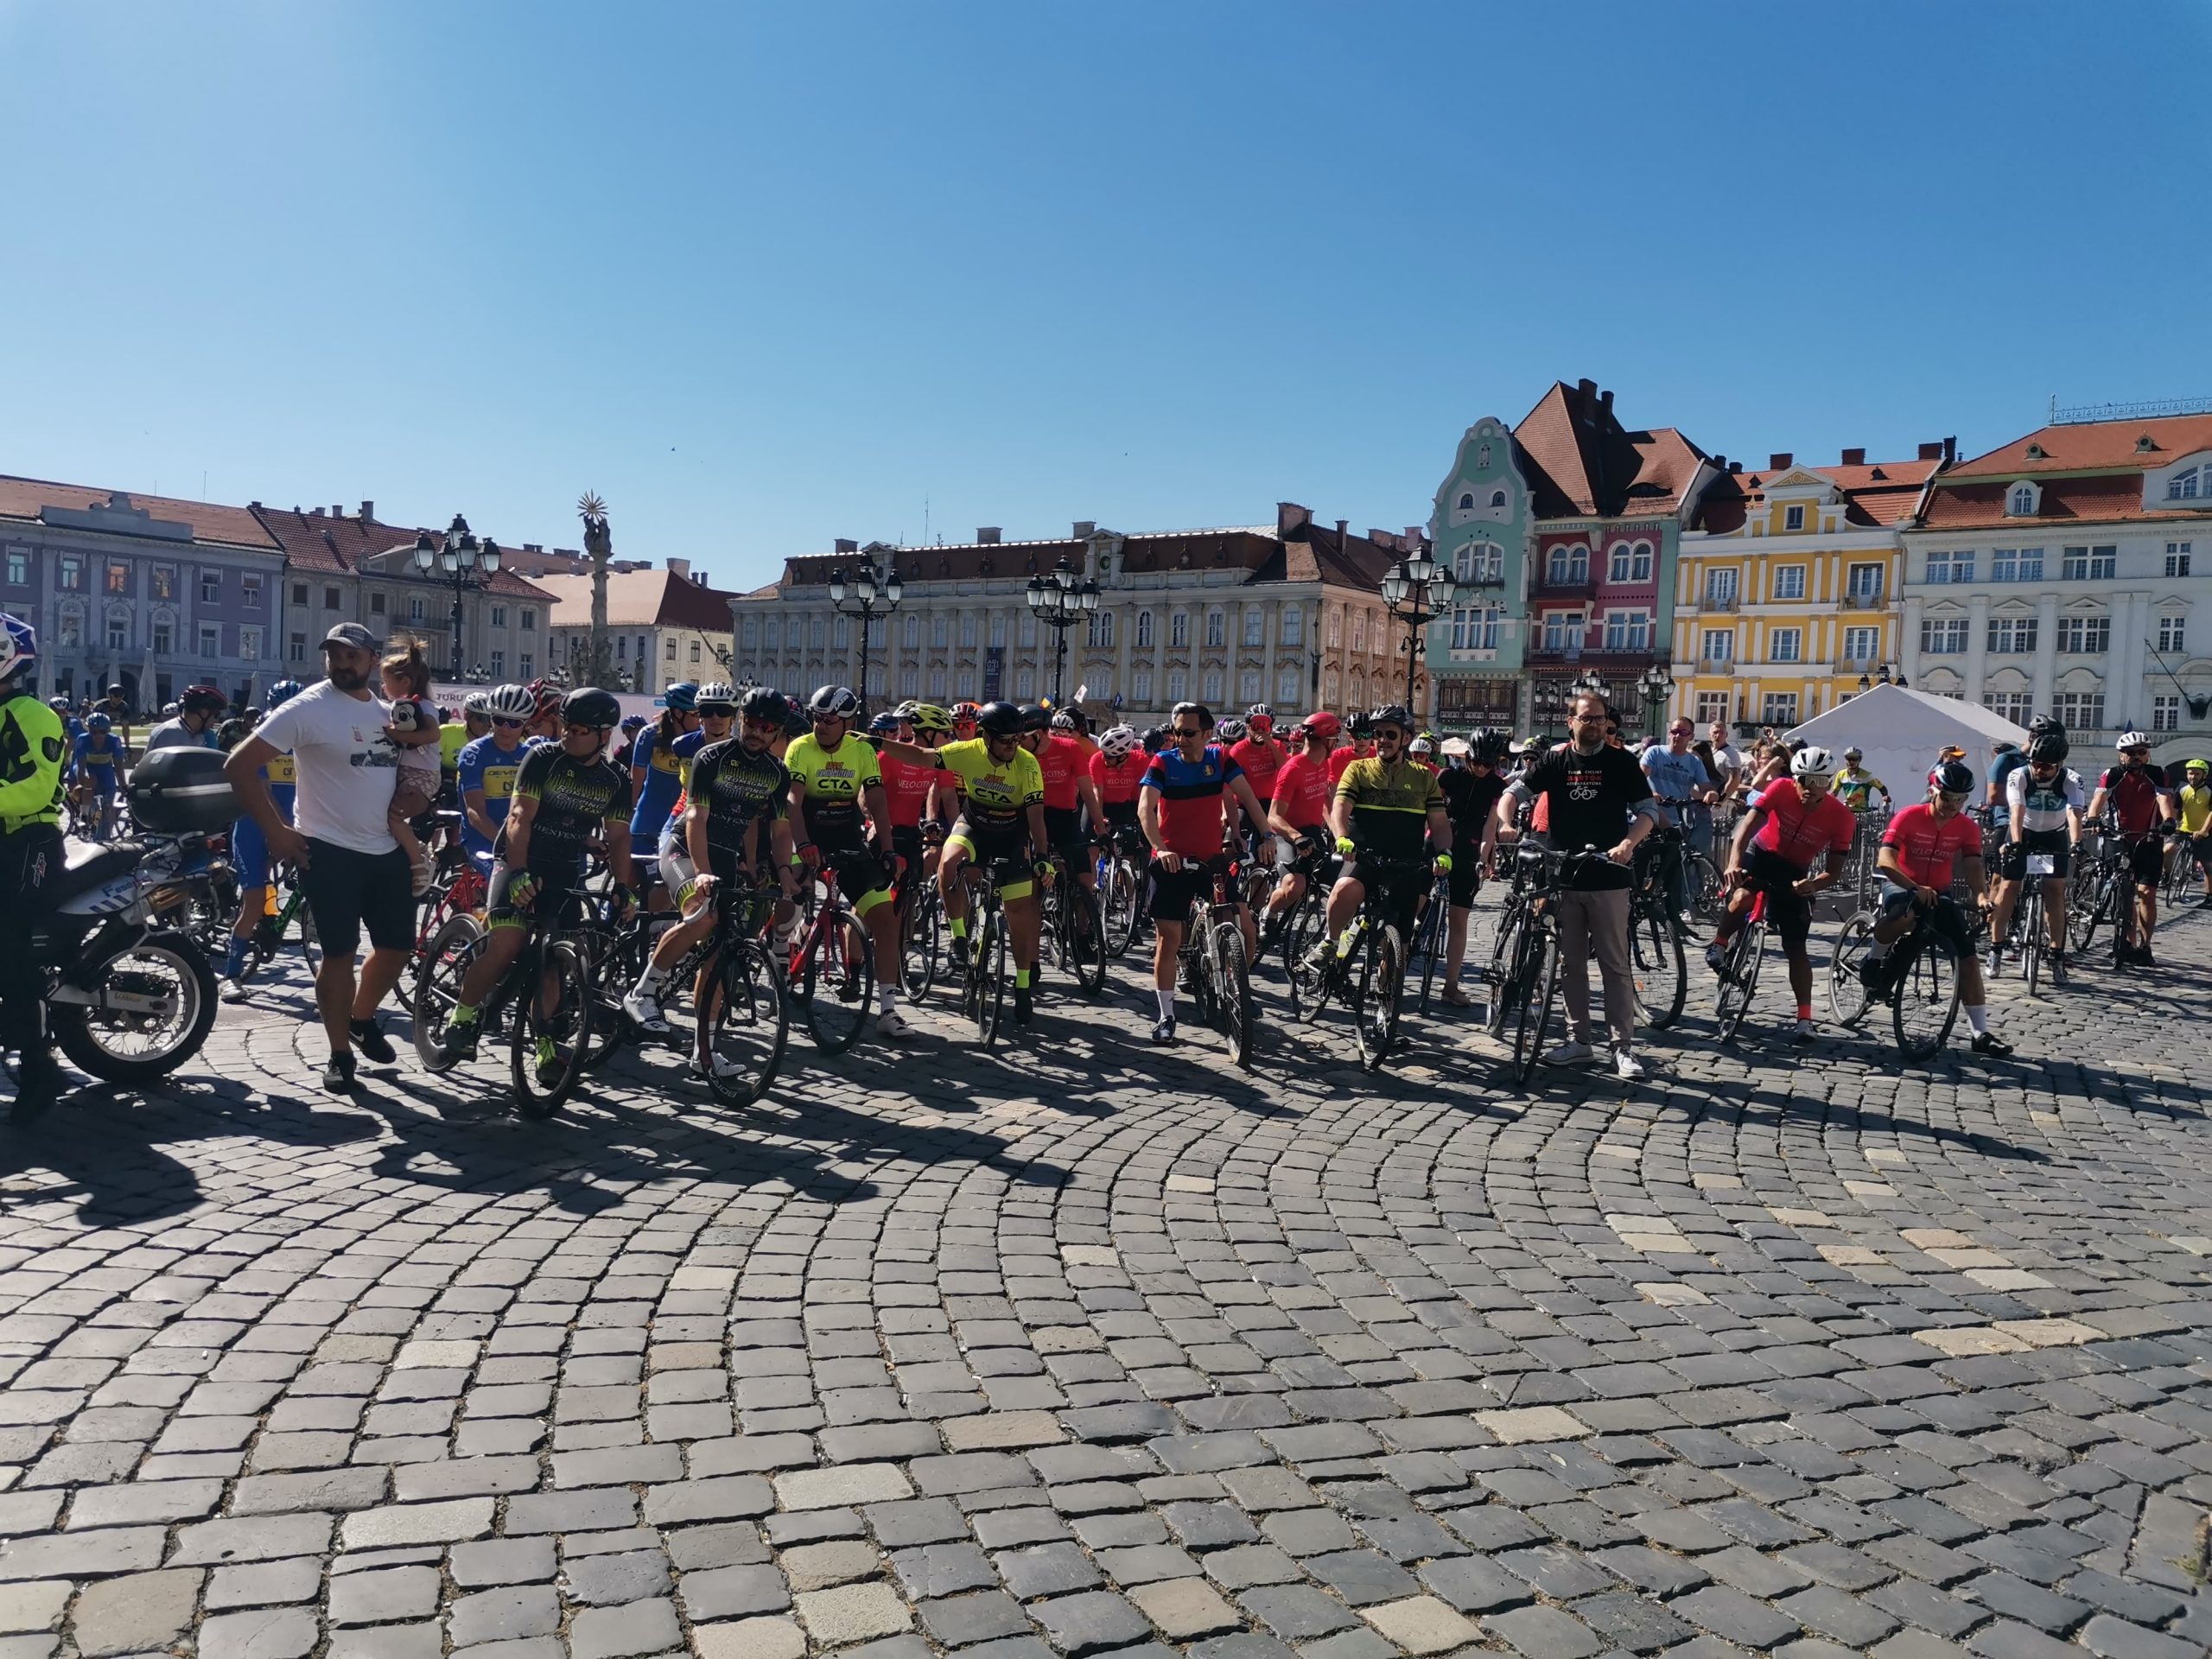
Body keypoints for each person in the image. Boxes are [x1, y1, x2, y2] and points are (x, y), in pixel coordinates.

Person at [227, 623, 413, 1092]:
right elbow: (239, 765)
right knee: (339, 954)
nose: (342, 664)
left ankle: (361, 1018)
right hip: (328, 850)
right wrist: (276, 831)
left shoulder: (388, 712)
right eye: (334, 655)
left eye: (352, 656)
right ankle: (339, 1054)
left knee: (397, 948)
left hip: (385, 848)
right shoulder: (307, 707)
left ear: (372, 660)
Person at [441, 688, 637, 1066]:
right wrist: (519, 872)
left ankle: (546, 1046)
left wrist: (623, 887)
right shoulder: (543, 757)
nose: (568, 734)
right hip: (518, 858)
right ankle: (463, 1014)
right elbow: (519, 817)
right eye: (566, 726)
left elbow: (618, 837)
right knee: (508, 943)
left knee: (555, 964)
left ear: (604, 735)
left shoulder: (615, 778)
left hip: (564, 867)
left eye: (579, 730)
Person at [1483, 690, 1659, 1080]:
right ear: (1571, 722)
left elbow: (1648, 810)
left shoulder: (1621, 761)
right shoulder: (1555, 760)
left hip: (1608, 875)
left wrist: (1628, 843)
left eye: (1599, 718)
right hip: (1563, 874)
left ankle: (1622, 1047)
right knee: (1571, 964)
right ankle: (1579, 1041)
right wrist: (1506, 823)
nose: (1594, 725)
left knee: (1614, 963)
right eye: (1586, 718)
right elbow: (1513, 793)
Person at [625, 686, 799, 1067]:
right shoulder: (712, 757)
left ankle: (703, 1052)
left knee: (719, 955)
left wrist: (784, 873)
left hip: (724, 855)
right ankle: (643, 992)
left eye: (767, 727)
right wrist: (702, 872)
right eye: (752, 723)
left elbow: (780, 830)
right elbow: (695, 817)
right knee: (703, 915)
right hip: (685, 848)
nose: (757, 732)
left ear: (777, 731)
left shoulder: (776, 773)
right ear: (742, 721)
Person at [902, 700, 1049, 1025]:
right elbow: (922, 756)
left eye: (1017, 739)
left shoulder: (1026, 764)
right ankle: (959, 937)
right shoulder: (968, 751)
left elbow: (1037, 818)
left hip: (1012, 835)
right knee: (948, 863)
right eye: (1005, 740)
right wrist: (875, 743)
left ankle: (1022, 985)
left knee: (1020, 916)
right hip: (975, 825)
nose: (1013, 746)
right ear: (986, 737)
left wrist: (1042, 858)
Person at [1859, 759, 2011, 1054]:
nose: (1953, 805)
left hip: (1939, 892)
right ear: (1933, 792)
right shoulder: (1909, 816)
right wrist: (1913, 887)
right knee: (1904, 915)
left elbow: (1973, 864)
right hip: (1902, 884)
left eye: (1960, 799)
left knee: (1968, 958)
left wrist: (1981, 896)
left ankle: (1980, 1034)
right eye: (1948, 797)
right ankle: (1873, 959)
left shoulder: (1967, 827)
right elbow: (1885, 860)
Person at [785, 684, 909, 1039]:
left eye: (829, 720)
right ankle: (781, 947)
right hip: (805, 832)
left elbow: (877, 801)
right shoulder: (800, 747)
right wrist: (803, 843)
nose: (820, 726)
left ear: (849, 723)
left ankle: (888, 1011)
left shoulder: (862, 750)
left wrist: (888, 850)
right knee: (790, 888)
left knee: (885, 920)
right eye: (817, 718)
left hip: (847, 838)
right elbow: (792, 801)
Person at [1140, 702, 1268, 1046]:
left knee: (1246, 925)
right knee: (1168, 939)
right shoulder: (1163, 762)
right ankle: (1166, 1016)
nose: (1181, 739)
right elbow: (1145, 809)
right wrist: (1160, 848)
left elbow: (1248, 797)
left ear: (1207, 734)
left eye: (1189, 733)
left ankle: (1238, 986)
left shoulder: (1220, 759)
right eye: (1177, 732)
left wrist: (1267, 833)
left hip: (1210, 861)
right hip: (1171, 863)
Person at [1707, 745, 1855, 1043]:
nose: (1810, 788)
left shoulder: (1842, 817)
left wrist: (1813, 885)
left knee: (1795, 947)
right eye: (1804, 780)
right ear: (1794, 779)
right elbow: (1746, 827)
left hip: (1795, 871)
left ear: (1829, 784)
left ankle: (1805, 1019)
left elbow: (1834, 871)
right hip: (1761, 854)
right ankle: (1719, 944)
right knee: (1743, 897)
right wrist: (1734, 863)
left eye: (1819, 782)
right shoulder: (1780, 788)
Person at [1305, 702, 1450, 982]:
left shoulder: (1423, 777)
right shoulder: (1358, 770)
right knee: (1345, 888)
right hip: (1364, 856)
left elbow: (1440, 823)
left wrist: (1445, 852)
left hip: (1406, 862)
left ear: (1405, 738)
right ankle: (1331, 941)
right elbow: (1340, 808)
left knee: (1399, 949)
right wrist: (1342, 837)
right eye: (1378, 734)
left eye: (1390, 734)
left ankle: (1386, 994)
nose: (1382, 740)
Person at [0, 618, 68, 1117]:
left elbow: (37, 787)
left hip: (30, 840)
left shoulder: (31, 714)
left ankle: (40, 1070)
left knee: (14, 952)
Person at [219, 677, 305, 988]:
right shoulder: (262, 737)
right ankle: (231, 975)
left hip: (293, 824)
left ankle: (280, 921)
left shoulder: (305, 738)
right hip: (254, 827)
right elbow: (264, 792)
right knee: (253, 902)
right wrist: (281, 829)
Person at [1989, 732, 2083, 969]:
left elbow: (2074, 812)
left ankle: (2056, 954)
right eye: (2036, 763)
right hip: (2024, 832)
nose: (2039, 769)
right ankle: (1996, 948)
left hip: (2053, 837)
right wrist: (2016, 843)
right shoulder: (2019, 775)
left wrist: (2077, 843)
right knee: (2009, 887)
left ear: (2059, 765)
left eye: (2046, 766)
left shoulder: (2071, 779)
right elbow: (2016, 810)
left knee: (2055, 891)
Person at [2088, 730, 2177, 966]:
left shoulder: (2158, 774)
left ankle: (2145, 947)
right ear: (2121, 755)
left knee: (2147, 894)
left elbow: (2163, 799)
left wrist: (2168, 820)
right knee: (2123, 893)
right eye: (2130, 752)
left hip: (2149, 840)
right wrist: (2093, 817)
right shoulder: (2112, 775)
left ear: (2147, 754)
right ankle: (2128, 943)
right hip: (2117, 839)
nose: (2136, 756)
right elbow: (2099, 799)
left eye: (2141, 752)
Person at [1435, 729, 1509, 1006]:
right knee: (1413, 906)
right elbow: (1430, 811)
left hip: (1469, 846)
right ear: (1467, 757)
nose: (1481, 769)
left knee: (1459, 918)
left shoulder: (1497, 786)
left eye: (1488, 764)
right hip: (1438, 841)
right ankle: (1389, 975)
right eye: (1476, 762)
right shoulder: (1448, 776)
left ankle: (1451, 986)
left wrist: (1483, 858)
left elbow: (1490, 826)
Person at [1260, 712, 1340, 955]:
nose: (1337, 743)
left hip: (1312, 831)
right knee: (1295, 887)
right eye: (1335, 738)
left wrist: (1339, 834)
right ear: (1326, 740)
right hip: (1287, 834)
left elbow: (1325, 800)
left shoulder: (1324, 764)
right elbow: (1273, 816)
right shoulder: (1293, 768)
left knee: (1340, 884)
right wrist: (1296, 837)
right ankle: (1268, 912)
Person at [378, 645, 443, 895]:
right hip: (408, 773)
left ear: (404, 681)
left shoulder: (424, 706)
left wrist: (396, 735)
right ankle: (414, 852)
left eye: (386, 681)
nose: (383, 687)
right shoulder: (402, 706)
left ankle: (419, 860)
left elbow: (433, 734)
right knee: (385, 818)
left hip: (422, 775)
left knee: (393, 817)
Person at [1641, 716, 1720, 917]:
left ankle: (1674, 905)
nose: (1677, 736)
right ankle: (1638, 893)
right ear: (1670, 733)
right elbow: (1640, 777)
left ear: (1691, 736)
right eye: (1675, 731)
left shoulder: (1694, 762)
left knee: (1677, 862)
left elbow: (1705, 786)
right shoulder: (1655, 752)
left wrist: (1711, 793)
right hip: (1652, 814)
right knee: (1642, 856)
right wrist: (1650, 793)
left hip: (1677, 817)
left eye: (1683, 733)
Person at [628, 684, 700, 906]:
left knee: (669, 887)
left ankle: (651, 922)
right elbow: (636, 781)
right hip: (648, 818)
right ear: (677, 713)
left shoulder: (698, 739)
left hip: (677, 821)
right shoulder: (650, 735)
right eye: (694, 714)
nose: (699, 719)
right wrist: (627, 815)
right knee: (630, 882)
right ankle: (612, 917)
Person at [456, 683, 536, 877]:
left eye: (514, 723)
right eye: (499, 720)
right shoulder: (474, 753)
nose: (505, 729)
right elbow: (475, 812)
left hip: (518, 840)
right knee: (509, 880)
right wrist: (507, 844)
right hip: (482, 840)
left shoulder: (530, 756)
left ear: (525, 724)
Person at [68, 710, 126, 842]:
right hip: (87, 767)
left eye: (102, 732)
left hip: (105, 768)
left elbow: (118, 766)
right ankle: (84, 815)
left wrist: (123, 785)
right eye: (94, 732)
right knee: (90, 780)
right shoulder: (83, 739)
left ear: (108, 730)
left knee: (109, 802)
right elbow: (81, 767)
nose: (98, 735)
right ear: (89, 731)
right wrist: (82, 784)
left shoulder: (114, 740)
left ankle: (106, 833)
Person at [145, 684, 227, 751]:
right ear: (204, 713)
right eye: (216, 715)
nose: (216, 721)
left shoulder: (198, 734)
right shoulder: (170, 733)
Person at [2178, 758, 2212, 905]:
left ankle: (2209, 897)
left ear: (2204, 775)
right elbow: (2175, 809)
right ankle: (2167, 876)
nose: (2193, 776)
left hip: (2205, 831)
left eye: (2197, 774)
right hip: (2184, 829)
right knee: (2167, 850)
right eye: (2190, 773)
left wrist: (2204, 830)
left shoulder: (2210, 790)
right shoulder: (2182, 789)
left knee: (2207, 865)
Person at [1832, 747, 1889, 814]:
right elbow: (1834, 793)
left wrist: (1885, 796)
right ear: (1845, 760)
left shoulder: (1867, 775)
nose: (1851, 762)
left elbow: (1882, 787)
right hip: (1848, 810)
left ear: (1859, 760)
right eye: (1849, 759)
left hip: (1862, 811)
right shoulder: (1841, 775)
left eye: (1855, 759)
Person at [1707, 721, 1745, 798]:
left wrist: (1721, 800)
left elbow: (1734, 780)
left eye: (1722, 733)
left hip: (1717, 798)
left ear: (1726, 735)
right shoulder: (1708, 752)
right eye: (1715, 732)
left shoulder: (1731, 754)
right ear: (1709, 735)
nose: (1718, 735)